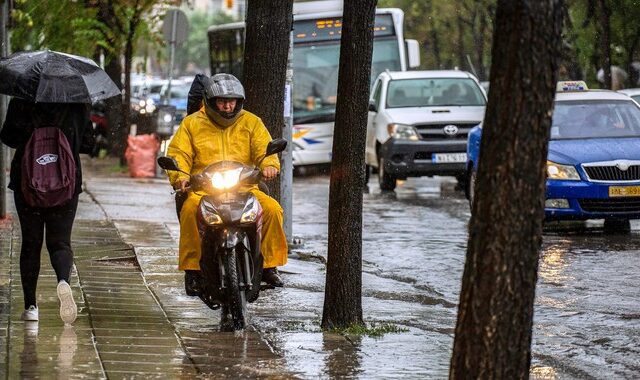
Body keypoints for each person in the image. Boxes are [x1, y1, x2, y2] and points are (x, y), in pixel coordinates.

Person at [166, 73, 288, 295]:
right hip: (203, 189)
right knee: (189, 210)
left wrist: (270, 164)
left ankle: (270, 266)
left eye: (231, 101)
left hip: (245, 187)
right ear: (210, 101)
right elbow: (179, 153)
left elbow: (264, 149)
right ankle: (192, 270)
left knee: (272, 209)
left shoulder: (252, 122)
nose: (227, 106)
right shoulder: (191, 124)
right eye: (222, 101)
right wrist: (180, 177)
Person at [0, 98, 92, 325]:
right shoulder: (77, 102)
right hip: (66, 183)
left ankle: (31, 307)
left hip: (27, 182)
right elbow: (88, 144)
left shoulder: (23, 99)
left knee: (31, 243)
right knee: (60, 242)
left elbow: (8, 137)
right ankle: (63, 281)